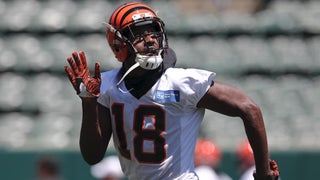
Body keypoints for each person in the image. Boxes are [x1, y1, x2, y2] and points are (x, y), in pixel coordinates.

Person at [64, 2, 280, 180]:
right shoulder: (107, 85)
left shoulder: (182, 83)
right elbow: (92, 156)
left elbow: (249, 108)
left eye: (153, 32)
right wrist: (88, 101)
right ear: (119, 45)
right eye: (139, 34)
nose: (149, 39)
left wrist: (263, 172)